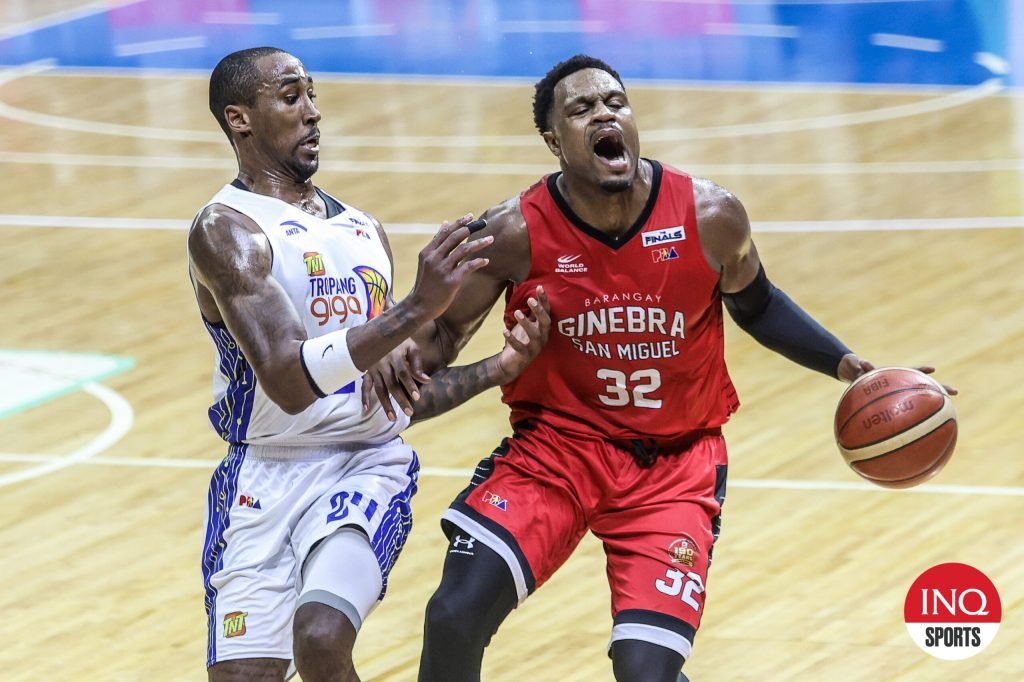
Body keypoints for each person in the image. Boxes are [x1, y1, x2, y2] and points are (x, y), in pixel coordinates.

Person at [360, 55, 954, 682]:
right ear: (553, 140)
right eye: (581, 109)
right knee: (454, 614)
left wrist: (846, 364)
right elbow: (438, 345)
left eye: (615, 102)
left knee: (646, 672)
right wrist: (401, 342)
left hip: (674, 467)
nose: (604, 114)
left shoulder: (711, 215)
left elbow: (758, 304)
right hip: (557, 450)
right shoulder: (514, 232)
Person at [188, 47, 550, 682]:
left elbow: (395, 398)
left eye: (313, 94)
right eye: (292, 96)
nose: (313, 112)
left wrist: (500, 366)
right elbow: (289, 381)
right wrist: (414, 308)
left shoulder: (363, 232)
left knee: (321, 635)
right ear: (239, 119)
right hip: (262, 476)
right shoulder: (227, 230)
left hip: (365, 466)